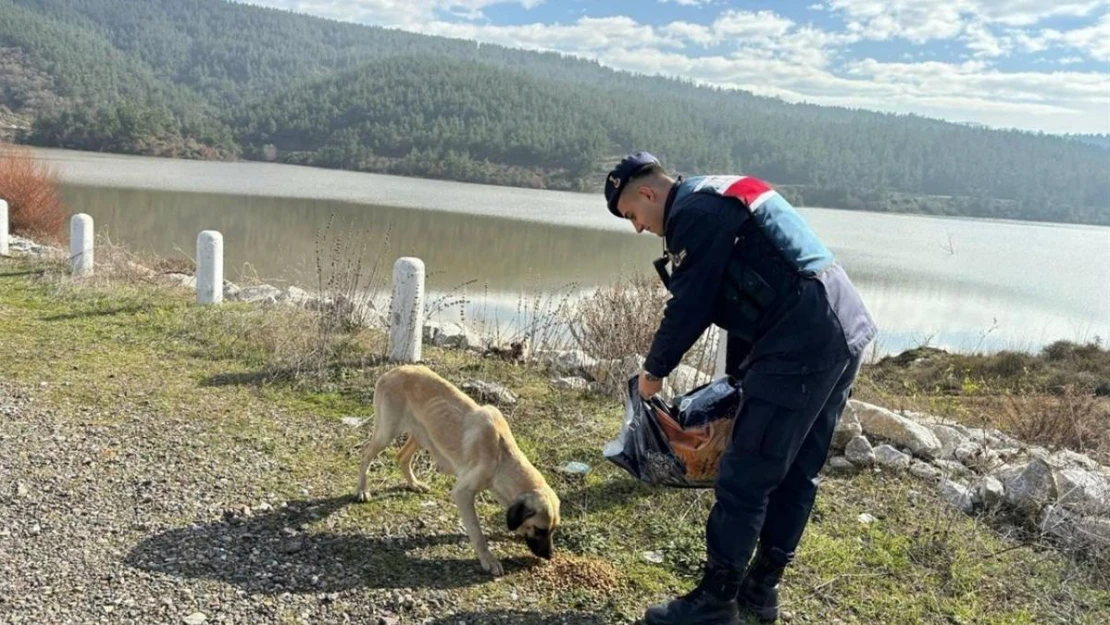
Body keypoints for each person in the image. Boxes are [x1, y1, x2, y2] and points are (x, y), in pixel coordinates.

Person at [603, 152, 877, 625]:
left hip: (800, 340)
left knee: (744, 474)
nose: (638, 227)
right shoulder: (715, 192)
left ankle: (716, 599)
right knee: (796, 471)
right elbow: (756, 282)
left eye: (631, 215)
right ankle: (761, 589)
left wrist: (652, 375)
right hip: (839, 327)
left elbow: (693, 303)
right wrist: (740, 380)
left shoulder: (691, 214)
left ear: (647, 193)